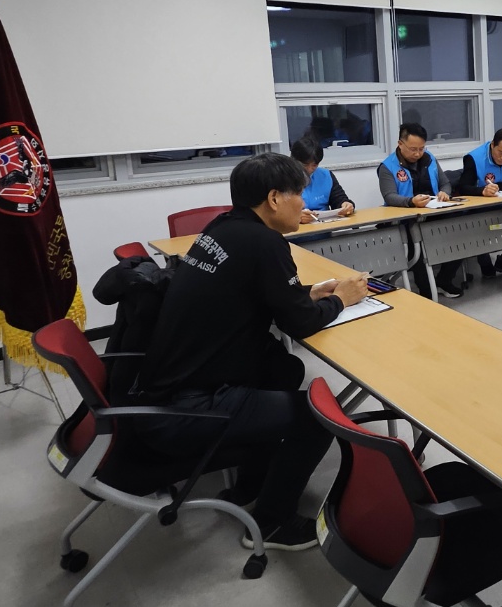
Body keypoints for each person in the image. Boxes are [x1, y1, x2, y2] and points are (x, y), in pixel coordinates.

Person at [138, 152, 372, 551]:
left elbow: (253, 292)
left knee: (284, 370)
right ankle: (272, 522)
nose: (304, 203)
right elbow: (300, 324)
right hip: (191, 405)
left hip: (169, 381)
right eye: (298, 194)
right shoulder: (265, 242)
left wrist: (308, 293)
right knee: (318, 419)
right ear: (275, 199)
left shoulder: (222, 228)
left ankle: (249, 486)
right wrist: (342, 300)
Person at [376, 122, 464, 299]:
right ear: (400, 144)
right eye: (413, 149)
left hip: (433, 213)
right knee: (417, 249)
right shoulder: (387, 167)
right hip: (405, 220)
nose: (417, 154)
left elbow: (445, 183)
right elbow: (389, 196)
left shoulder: (429, 159)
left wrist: (444, 193)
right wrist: (411, 202)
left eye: (421, 148)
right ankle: (426, 291)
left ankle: (444, 280)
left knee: (461, 234)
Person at [456, 127, 502, 278]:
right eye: (500, 152)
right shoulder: (474, 158)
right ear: (493, 144)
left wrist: (497, 187)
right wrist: (482, 191)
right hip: (479, 207)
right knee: (480, 228)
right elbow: (463, 187)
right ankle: (485, 263)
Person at [291, 135, 354, 223]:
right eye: (305, 165)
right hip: (296, 229)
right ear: (293, 160)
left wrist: (346, 205)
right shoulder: (283, 178)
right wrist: (295, 217)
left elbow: (339, 199)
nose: (309, 169)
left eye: (314, 165)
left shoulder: (325, 175)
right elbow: (276, 213)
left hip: (324, 227)